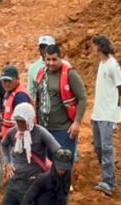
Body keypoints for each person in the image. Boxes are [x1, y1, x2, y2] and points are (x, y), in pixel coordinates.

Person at [33, 44, 88, 175]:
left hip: (63, 128)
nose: (51, 63)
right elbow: (38, 98)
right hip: (45, 128)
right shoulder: (42, 73)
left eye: (54, 59)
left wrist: (77, 122)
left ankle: (64, 189)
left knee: (63, 164)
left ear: (61, 58)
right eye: (48, 59)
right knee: (48, 164)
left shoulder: (70, 74)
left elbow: (82, 98)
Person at [90, 34, 121, 196]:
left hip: (107, 114)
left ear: (99, 46)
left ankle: (109, 181)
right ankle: (106, 175)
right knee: (98, 146)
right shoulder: (102, 64)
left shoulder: (112, 65)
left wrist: (115, 108)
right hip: (98, 113)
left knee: (107, 147)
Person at [0, 65, 33, 140]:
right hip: (9, 137)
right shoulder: (9, 92)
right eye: (4, 81)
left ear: (17, 79)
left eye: (9, 81)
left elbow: (24, 124)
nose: (7, 84)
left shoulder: (20, 96)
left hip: (16, 140)